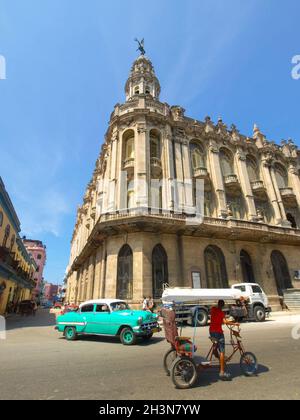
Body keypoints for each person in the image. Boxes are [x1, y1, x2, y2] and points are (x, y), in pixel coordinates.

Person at [209, 299, 239, 381]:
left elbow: (212, 309)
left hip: (211, 332)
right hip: (218, 332)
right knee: (222, 351)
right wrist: (234, 323)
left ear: (218, 304)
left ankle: (219, 358)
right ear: (223, 306)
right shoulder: (222, 313)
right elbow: (225, 322)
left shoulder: (213, 309)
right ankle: (222, 372)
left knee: (215, 346)